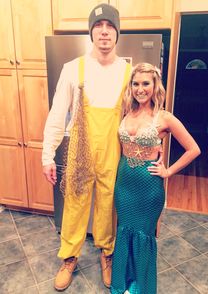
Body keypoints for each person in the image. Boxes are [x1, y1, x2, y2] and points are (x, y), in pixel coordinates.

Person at [42, 3, 132, 291]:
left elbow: (143, 117)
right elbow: (57, 115)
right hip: (80, 151)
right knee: (75, 204)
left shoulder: (128, 72)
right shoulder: (72, 69)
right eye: (98, 27)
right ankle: (69, 257)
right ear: (91, 32)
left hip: (113, 151)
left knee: (108, 205)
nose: (104, 32)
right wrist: (47, 156)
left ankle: (107, 253)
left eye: (110, 27)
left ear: (117, 33)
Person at [110, 63, 201, 294]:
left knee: (143, 235)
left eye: (145, 83)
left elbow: (193, 149)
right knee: (124, 231)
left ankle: (141, 288)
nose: (140, 89)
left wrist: (168, 171)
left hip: (149, 187)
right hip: (124, 185)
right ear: (131, 86)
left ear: (155, 85)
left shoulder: (165, 118)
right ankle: (123, 285)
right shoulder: (125, 112)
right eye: (136, 83)